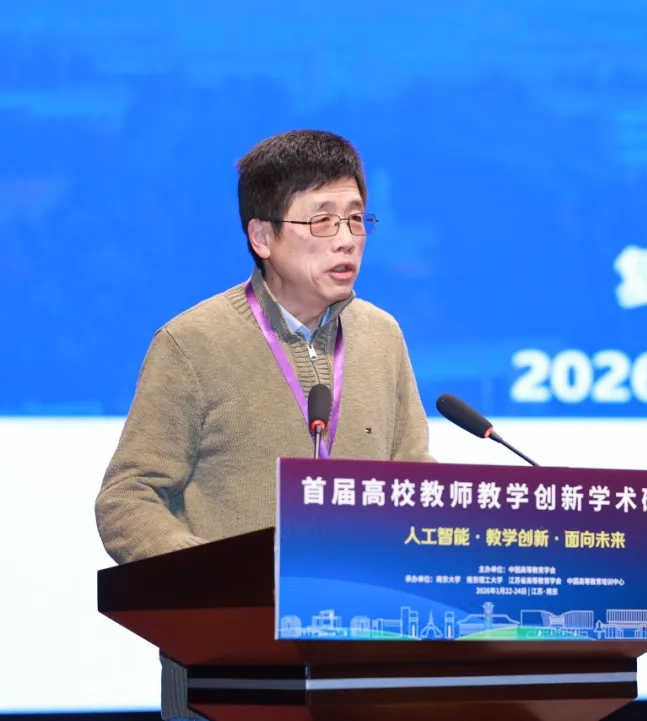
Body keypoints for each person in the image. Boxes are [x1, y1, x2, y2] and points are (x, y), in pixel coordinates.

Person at [94, 129, 435, 719]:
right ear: (262, 237)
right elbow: (127, 498)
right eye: (322, 221)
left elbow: (414, 481)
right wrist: (215, 582)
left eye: (356, 219)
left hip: (363, 662)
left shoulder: (382, 336)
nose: (346, 239)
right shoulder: (193, 343)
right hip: (225, 668)